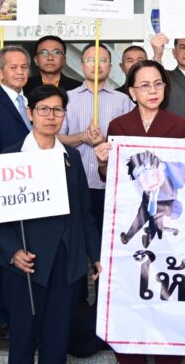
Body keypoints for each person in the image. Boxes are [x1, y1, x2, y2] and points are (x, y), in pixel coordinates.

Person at [0, 85, 102, 364]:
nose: (51, 116)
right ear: (30, 113)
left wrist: (97, 256)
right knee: (22, 342)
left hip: (66, 263)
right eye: (43, 109)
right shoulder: (10, 157)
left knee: (56, 342)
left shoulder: (72, 158)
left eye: (57, 110)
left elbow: (85, 213)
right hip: (26, 263)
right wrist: (13, 251)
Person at [105, 62, 185, 364]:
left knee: (167, 301)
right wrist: (103, 161)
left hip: (169, 228)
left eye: (158, 84)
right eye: (144, 85)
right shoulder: (118, 126)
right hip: (131, 229)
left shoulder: (180, 126)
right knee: (131, 300)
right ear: (132, 92)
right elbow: (113, 179)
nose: (153, 90)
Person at [0, 44, 33, 340]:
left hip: (32, 187)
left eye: (24, 67)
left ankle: (24, 313)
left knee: (26, 250)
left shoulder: (32, 101)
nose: (20, 72)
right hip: (3, 186)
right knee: (2, 253)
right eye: (13, 67)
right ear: (0, 72)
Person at [59, 42, 134, 232]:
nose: (97, 65)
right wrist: (82, 137)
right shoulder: (67, 98)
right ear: (82, 65)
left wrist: (103, 142)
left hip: (110, 185)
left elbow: (131, 144)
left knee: (106, 238)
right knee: (77, 239)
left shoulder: (123, 100)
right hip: (74, 184)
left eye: (103, 60)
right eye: (91, 60)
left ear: (110, 65)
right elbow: (56, 139)